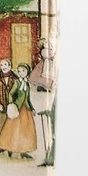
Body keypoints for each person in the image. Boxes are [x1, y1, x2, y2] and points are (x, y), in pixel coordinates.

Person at [0, 63, 37, 159]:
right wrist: (12, 103)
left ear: (27, 72)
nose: (21, 73)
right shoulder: (17, 83)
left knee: (25, 130)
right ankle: (10, 149)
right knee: (13, 129)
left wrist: (32, 108)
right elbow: (10, 94)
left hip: (25, 110)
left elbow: (28, 99)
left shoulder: (26, 84)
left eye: (23, 71)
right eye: (19, 71)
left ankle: (23, 151)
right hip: (17, 109)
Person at [29, 37, 57, 166]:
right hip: (43, 97)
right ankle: (48, 156)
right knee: (47, 130)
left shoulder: (54, 63)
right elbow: (33, 78)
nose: (48, 51)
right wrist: (50, 83)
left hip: (53, 97)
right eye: (45, 49)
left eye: (50, 48)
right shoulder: (42, 65)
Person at [0, 58, 17, 151]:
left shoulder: (15, 78)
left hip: (12, 107)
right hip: (1, 107)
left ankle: (11, 146)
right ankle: (1, 146)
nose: (3, 67)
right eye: (1, 65)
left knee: (12, 126)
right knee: (1, 127)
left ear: (10, 66)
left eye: (5, 65)